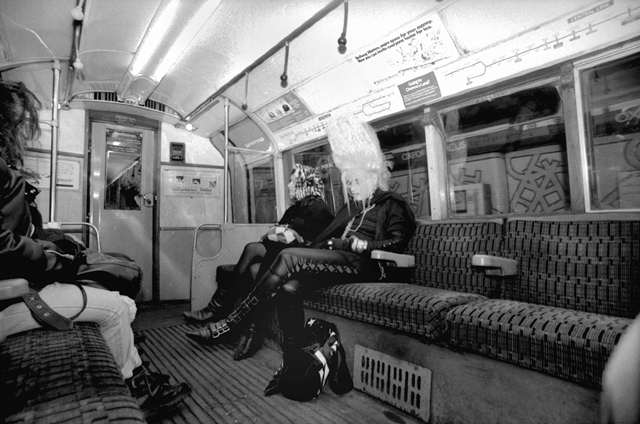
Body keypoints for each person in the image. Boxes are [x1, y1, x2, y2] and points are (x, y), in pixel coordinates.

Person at [0, 80, 189, 418]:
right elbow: (6, 249)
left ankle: (136, 375)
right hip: (11, 297)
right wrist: (56, 260)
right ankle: (135, 392)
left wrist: (52, 250)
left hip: (16, 289)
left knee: (123, 304)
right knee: (119, 309)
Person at [185, 113, 416, 362]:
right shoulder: (351, 208)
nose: (350, 187)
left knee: (287, 256)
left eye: (355, 179)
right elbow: (325, 238)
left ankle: (230, 324)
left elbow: (397, 243)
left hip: (369, 265)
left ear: (373, 176)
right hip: (341, 260)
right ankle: (294, 356)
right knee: (288, 287)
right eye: (347, 181)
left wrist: (360, 244)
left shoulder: (393, 204)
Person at [184, 163, 334, 360]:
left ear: (302, 182)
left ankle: (230, 317)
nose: (288, 185)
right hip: (282, 252)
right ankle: (229, 316)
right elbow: (277, 230)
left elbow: (311, 240)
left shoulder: (318, 207)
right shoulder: (296, 207)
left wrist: (283, 233)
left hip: (300, 259)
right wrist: (280, 233)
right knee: (252, 250)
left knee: (256, 262)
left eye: (291, 181)